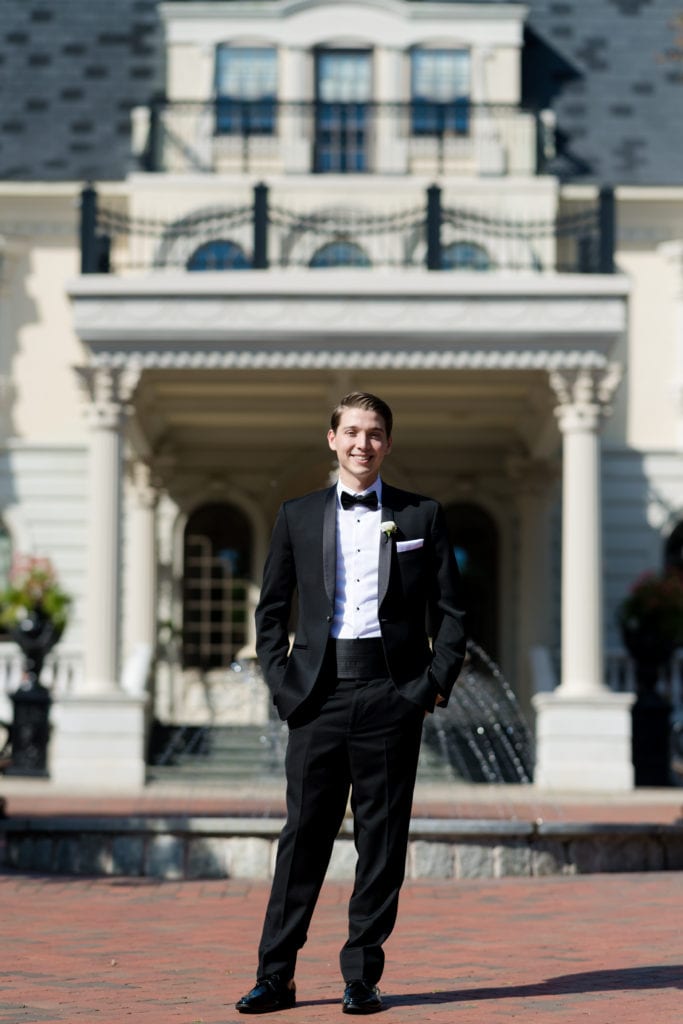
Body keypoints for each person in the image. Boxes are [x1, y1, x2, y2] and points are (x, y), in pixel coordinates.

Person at [236, 391, 466, 1015]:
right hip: (317, 696)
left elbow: (451, 615)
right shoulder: (297, 515)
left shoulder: (423, 515)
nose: (363, 443)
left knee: (381, 840)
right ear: (332, 438)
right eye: (353, 431)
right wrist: (286, 689)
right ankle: (275, 976)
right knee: (302, 839)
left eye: (375, 433)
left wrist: (427, 689)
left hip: (393, 696)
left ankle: (361, 978)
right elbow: (271, 613)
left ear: (387, 443)